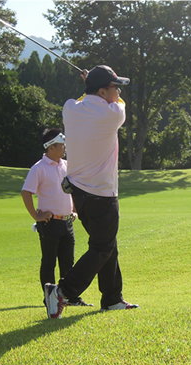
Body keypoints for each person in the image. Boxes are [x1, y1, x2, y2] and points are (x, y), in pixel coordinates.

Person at [44, 65, 139, 318]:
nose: (118, 91)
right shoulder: (113, 114)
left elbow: (82, 101)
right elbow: (118, 103)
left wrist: (91, 88)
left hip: (78, 194)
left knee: (108, 244)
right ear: (102, 91)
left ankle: (111, 298)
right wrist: (95, 87)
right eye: (114, 87)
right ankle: (62, 292)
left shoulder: (70, 108)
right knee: (101, 248)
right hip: (102, 195)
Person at [21, 128, 92, 307]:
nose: (64, 147)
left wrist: (74, 209)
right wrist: (36, 215)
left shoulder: (67, 165)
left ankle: (70, 297)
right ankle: (50, 299)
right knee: (49, 262)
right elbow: (26, 192)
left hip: (67, 221)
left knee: (68, 262)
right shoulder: (38, 168)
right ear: (51, 147)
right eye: (61, 145)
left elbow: (73, 190)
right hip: (49, 223)